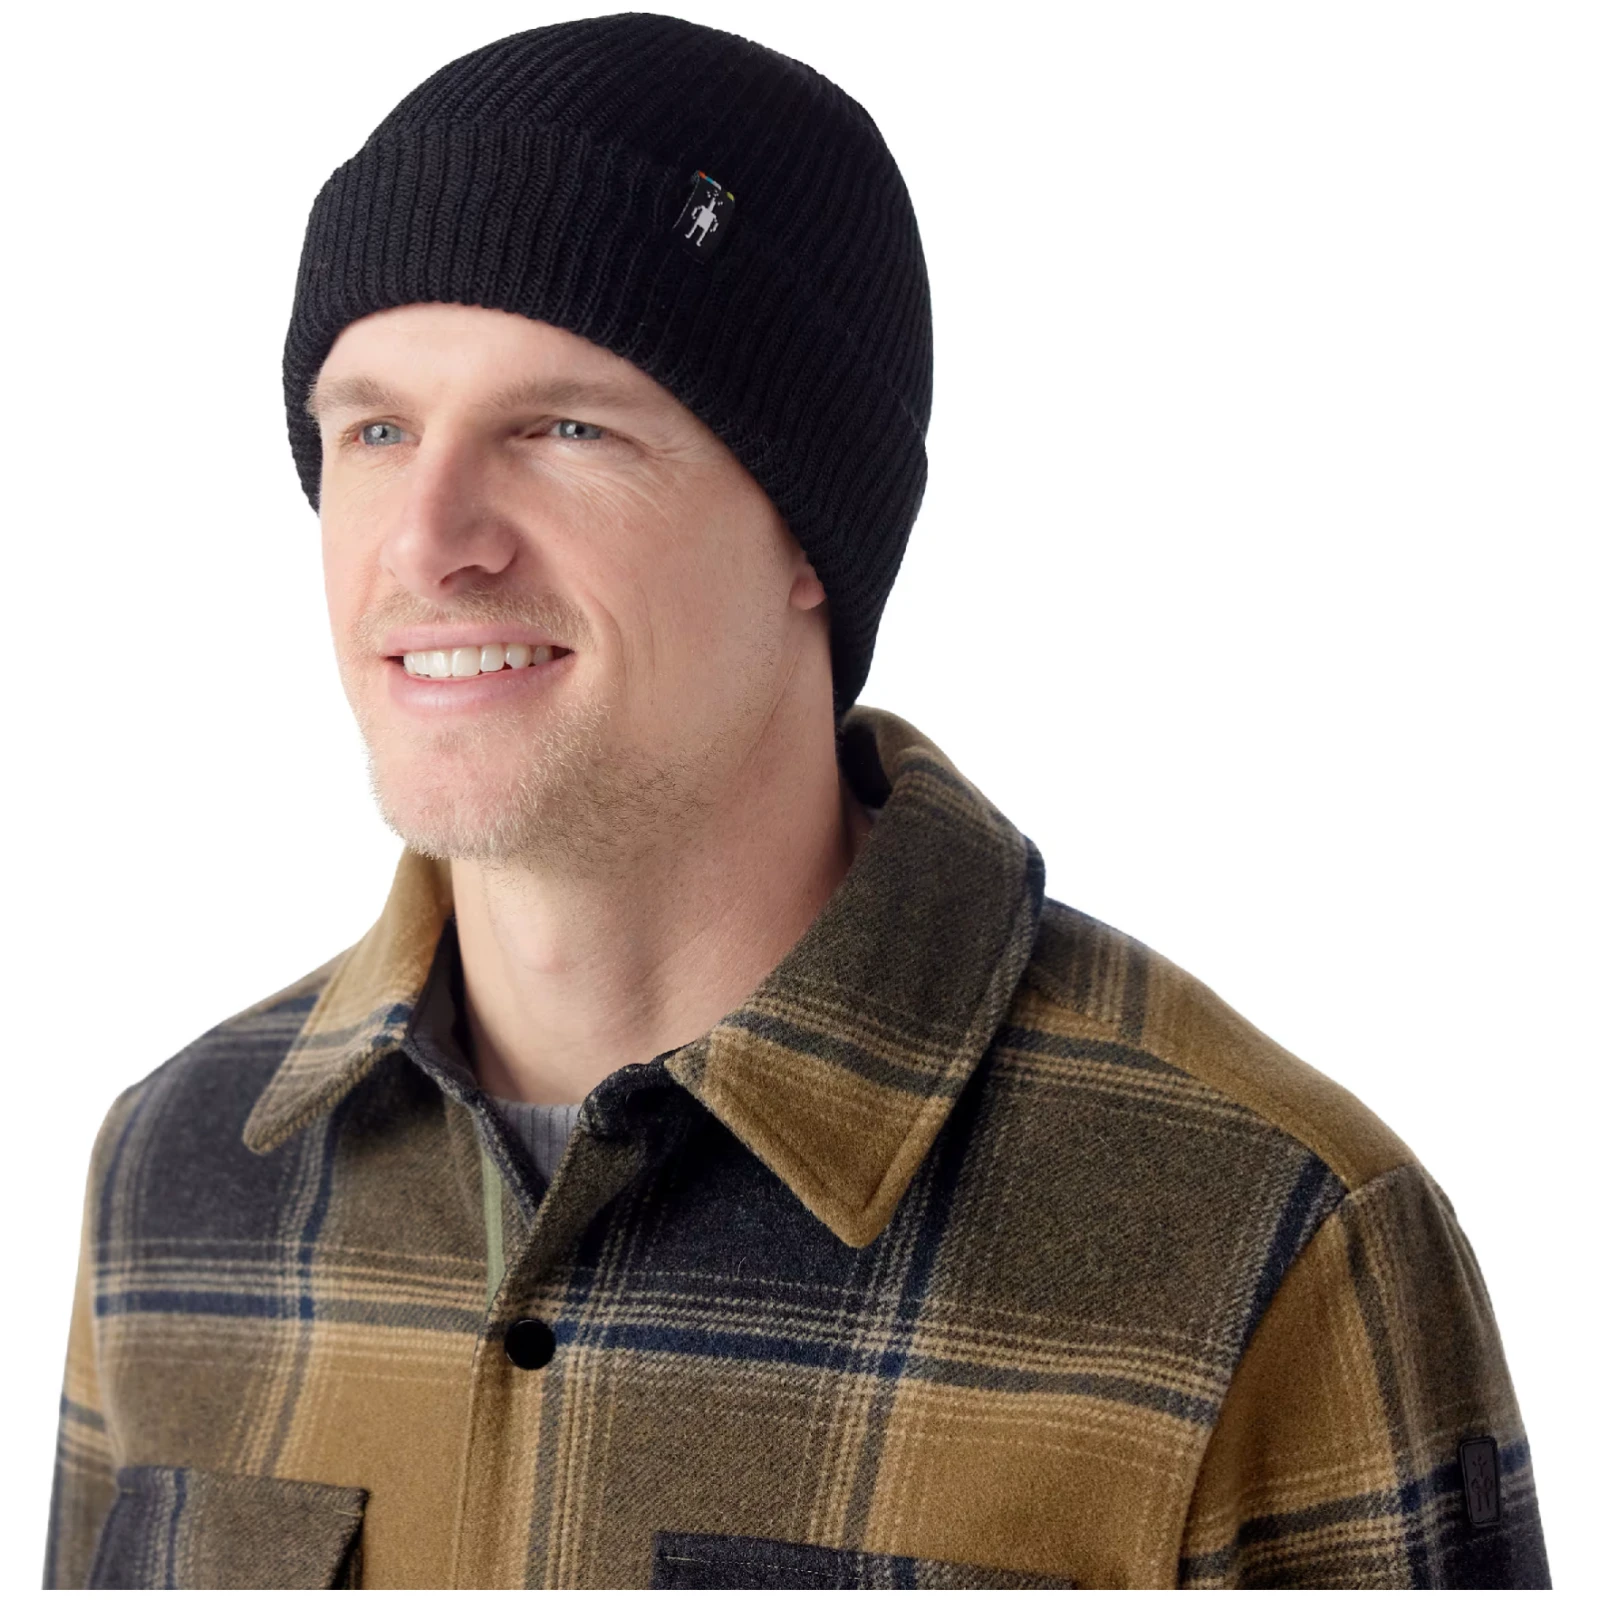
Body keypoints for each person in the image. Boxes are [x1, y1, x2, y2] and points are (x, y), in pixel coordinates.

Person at [44, 13, 1549, 1590]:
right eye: (376, 430)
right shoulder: (176, 1179)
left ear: (811, 532)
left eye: (565, 428)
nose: (428, 539)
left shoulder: (1264, 1234)